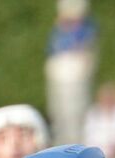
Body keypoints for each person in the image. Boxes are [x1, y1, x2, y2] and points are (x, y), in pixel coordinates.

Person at [45, 0, 98, 144]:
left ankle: (76, 144)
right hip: (59, 74)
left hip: (75, 75)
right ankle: (60, 142)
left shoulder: (86, 30)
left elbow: (85, 53)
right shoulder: (58, 31)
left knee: (75, 112)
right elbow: (52, 51)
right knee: (58, 111)